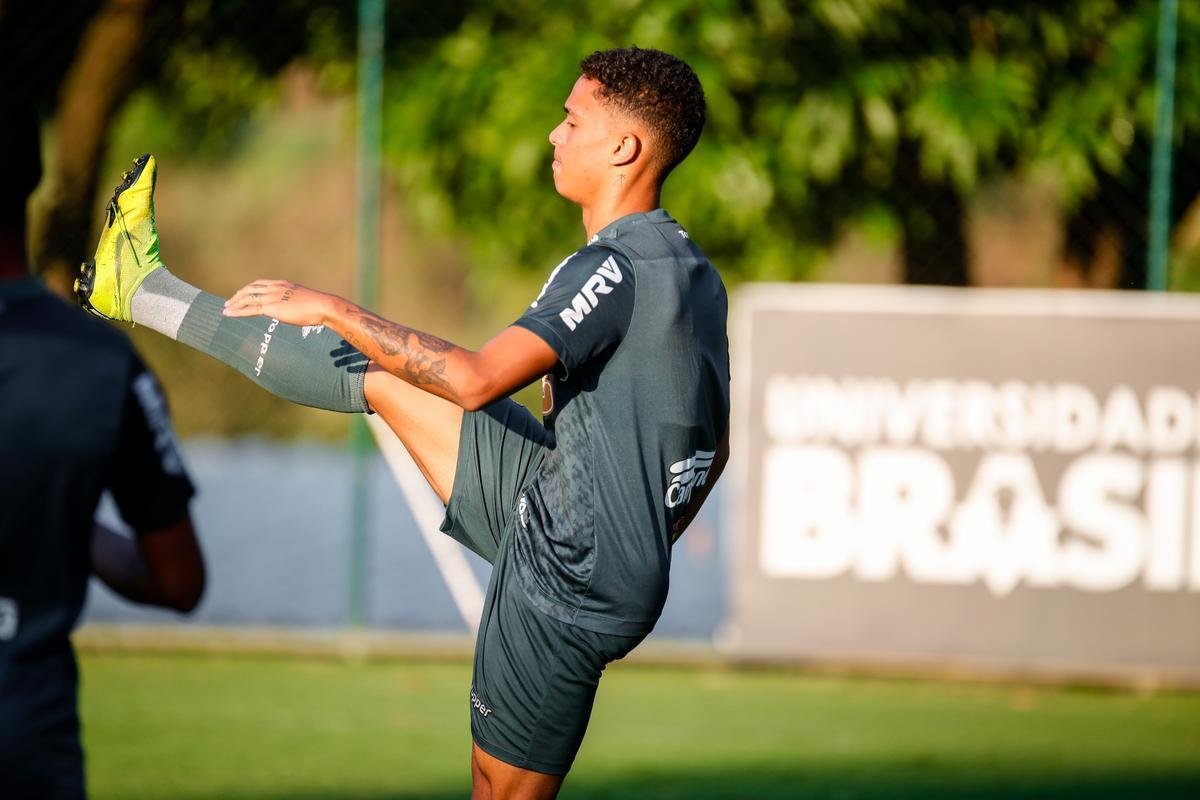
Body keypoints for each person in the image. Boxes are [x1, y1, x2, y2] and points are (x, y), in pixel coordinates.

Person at [75, 46, 728, 799]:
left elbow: (479, 380)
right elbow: (714, 441)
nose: (555, 135)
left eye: (571, 118)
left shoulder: (609, 268)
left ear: (624, 146)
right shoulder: (689, 266)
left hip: (568, 574)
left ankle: (140, 290)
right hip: (566, 512)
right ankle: (137, 286)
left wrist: (332, 308)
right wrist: (641, 529)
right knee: (386, 379)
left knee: (500, 792)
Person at [0, 105, 207, 799]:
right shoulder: (103, 365)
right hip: (29, 740)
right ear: (31, 179)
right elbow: (178, 579)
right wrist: (61, 520)